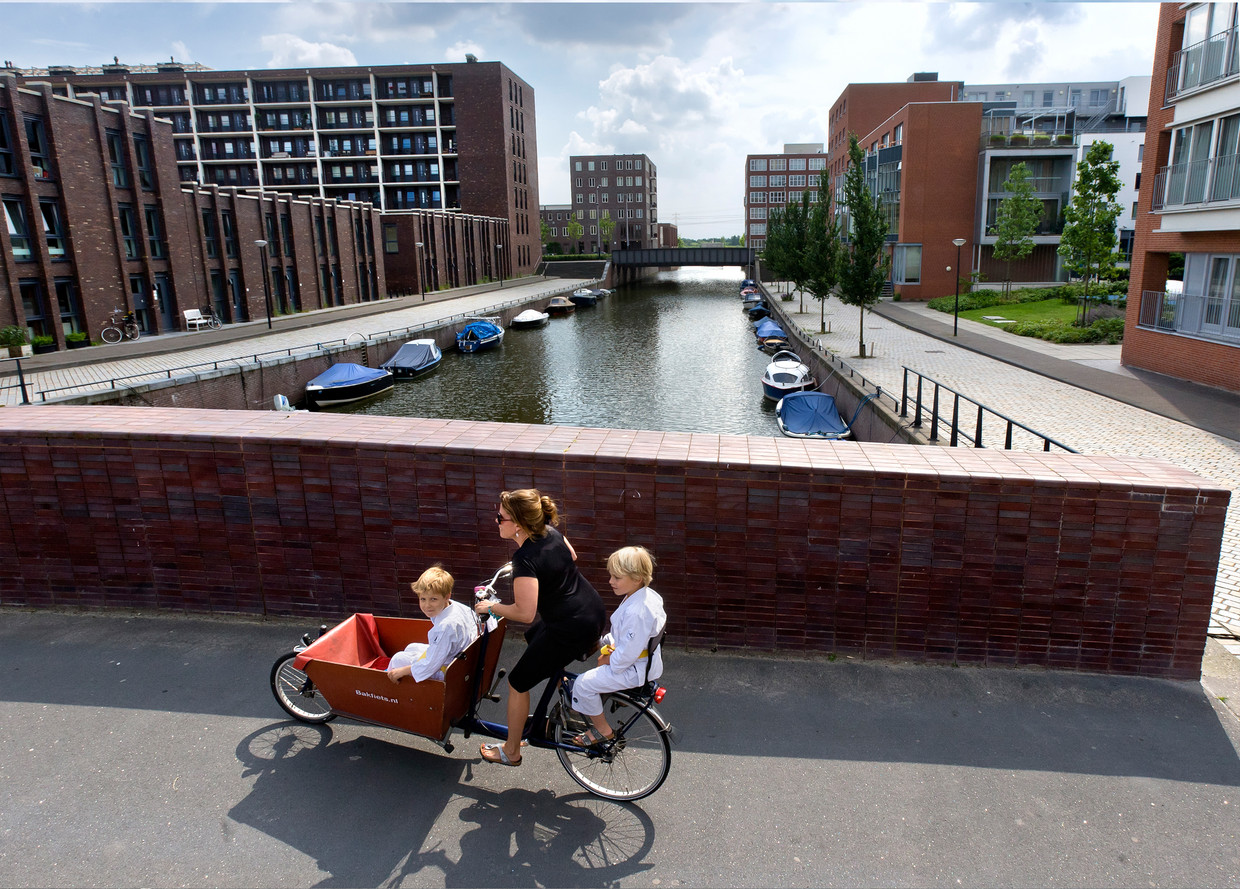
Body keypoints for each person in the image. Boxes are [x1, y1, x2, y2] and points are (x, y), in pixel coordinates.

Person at [474, 489, 606, 766]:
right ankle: (566, 689)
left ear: (519, 524)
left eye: (500, 518)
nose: (496, 521)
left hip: (570, 628)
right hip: (590, 610)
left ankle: (511, 751)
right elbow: (571, 555)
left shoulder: (524, 559)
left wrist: (491, 607)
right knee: (534, 635)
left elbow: (525, 613)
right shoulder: (550, 532)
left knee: (517, 682)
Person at [569, 546, 666, 746]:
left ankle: (602, 730)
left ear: (637, 578)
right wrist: (602, 642)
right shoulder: (647, 595)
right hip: (642, 662)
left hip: (632, 669)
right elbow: (626, 636)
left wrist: (607, 659)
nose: (610, 581)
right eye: (611, 575)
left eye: (617, 577)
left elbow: (626, 654)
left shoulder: (637, 612)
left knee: (582, 684)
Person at [387, 566, 479, 684]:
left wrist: (403, 671)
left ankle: (388, 684)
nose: (427, 605)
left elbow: (431, 665)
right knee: (411, 647)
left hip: (449, 671)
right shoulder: (459, 607)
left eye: (433, 599)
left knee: (397, 659)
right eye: (423, 599)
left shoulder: (445, 627)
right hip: (460, 660)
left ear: (447, 596)